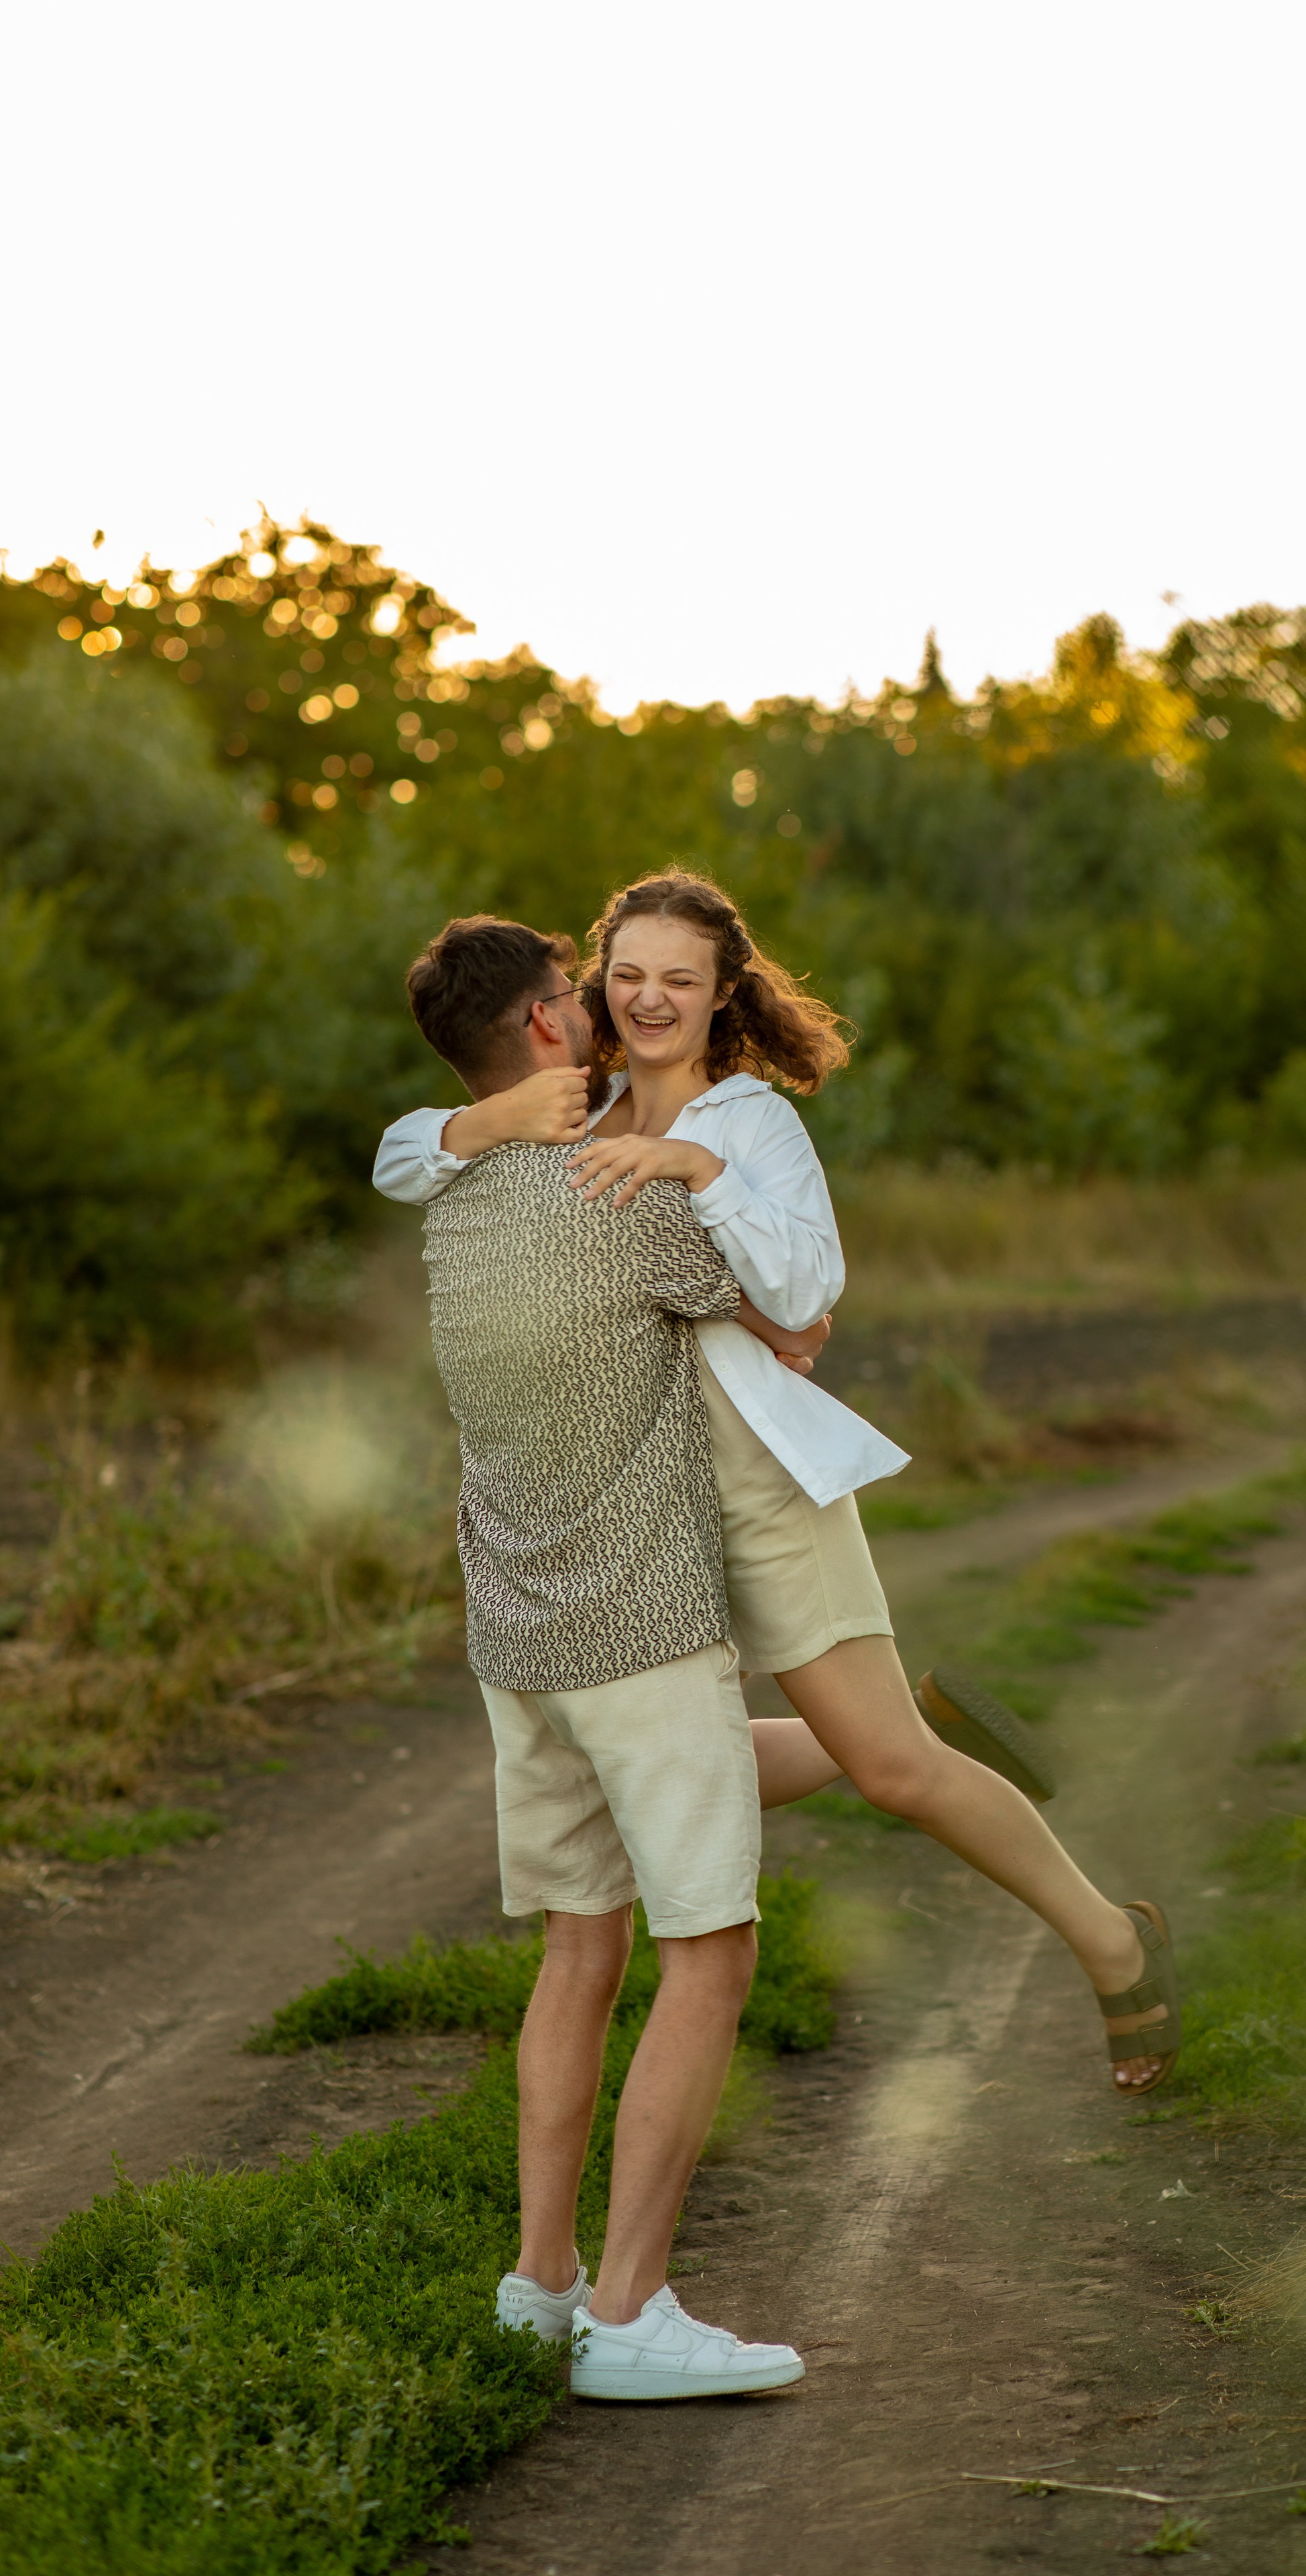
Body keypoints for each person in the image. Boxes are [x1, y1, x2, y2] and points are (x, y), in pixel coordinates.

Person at [379, 885, 1179, 2097]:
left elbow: (806, 1296)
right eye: (629, 974)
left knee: (893, 1774)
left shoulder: (752, 1123)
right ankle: (904, 1720)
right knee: (646, 1765)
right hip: (634, 1501)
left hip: (752, 1480)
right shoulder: (568, 1104)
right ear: (591, 986)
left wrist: (696, 1167)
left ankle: (1117, 1944)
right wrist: (484, 1121)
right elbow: (398, 1159)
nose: (650, 999)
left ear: (722, 996)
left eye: (681, 980)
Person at [405, 916, 807, 2399]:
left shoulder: (448, 1199)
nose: (604, 1006)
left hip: (518, 1639)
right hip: (638, 1630)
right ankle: (632, 2317)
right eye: (579, 995)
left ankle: (541, 2284)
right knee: (711, 1948)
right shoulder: (616, 1193)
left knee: (581, 1949)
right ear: (544, 1030)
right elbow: (796, 1310)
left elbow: (420, 1149)